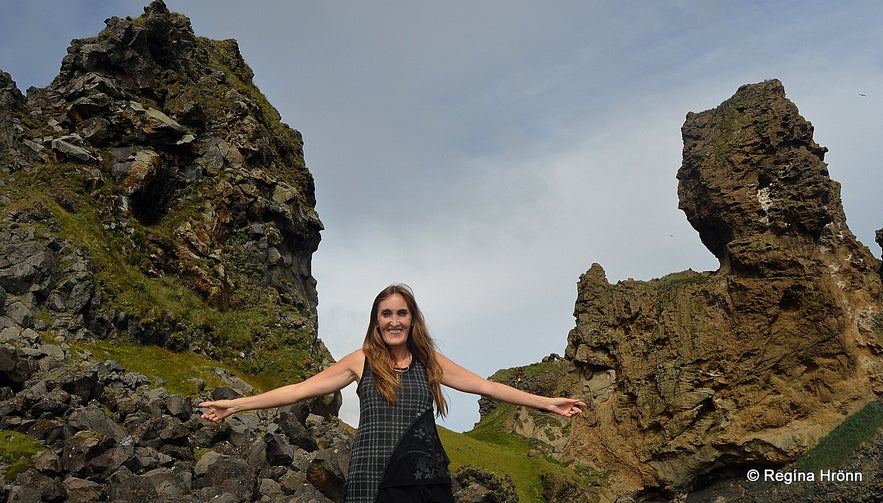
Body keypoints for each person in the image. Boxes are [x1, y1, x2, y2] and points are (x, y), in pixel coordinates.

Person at [200, 284, 586, 503]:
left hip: (420, 475)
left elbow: (485, 386)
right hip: (371, 471)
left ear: (412, 320)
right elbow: (299, 391)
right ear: (376, 321)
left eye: (401, 313)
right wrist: (235, 404)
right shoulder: (360, 361)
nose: (394, 321)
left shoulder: (429, 360)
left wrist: (547, 403)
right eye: (386, 314)